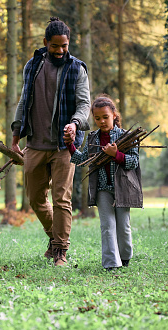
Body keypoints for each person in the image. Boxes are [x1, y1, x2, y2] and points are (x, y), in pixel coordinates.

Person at [11, 17, 91, 266]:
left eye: (64, 46)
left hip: (64, 146)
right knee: (35, 199)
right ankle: (55, 238)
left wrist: (75, 123)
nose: (60, 50)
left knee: (61, 200)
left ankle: (60, 251)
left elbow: (84, 104)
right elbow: (24, 102)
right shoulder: (32, 66)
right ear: (46, 43)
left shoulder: (77, 68)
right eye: (55, 46)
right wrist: (15, 136)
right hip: (35, 144)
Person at [64, 94, 142, 270]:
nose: (101, 121)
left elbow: (133, 162)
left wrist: (116, 155)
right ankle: (111, 264)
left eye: (105, 117)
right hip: (102, 189)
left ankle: (125, 257)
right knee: (107, 226)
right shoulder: (93, 138)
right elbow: (81, 159)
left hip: (123, 187)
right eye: (97, 118)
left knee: (123, 226)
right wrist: (70, 145)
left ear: (114, 115)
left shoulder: (126, 137)